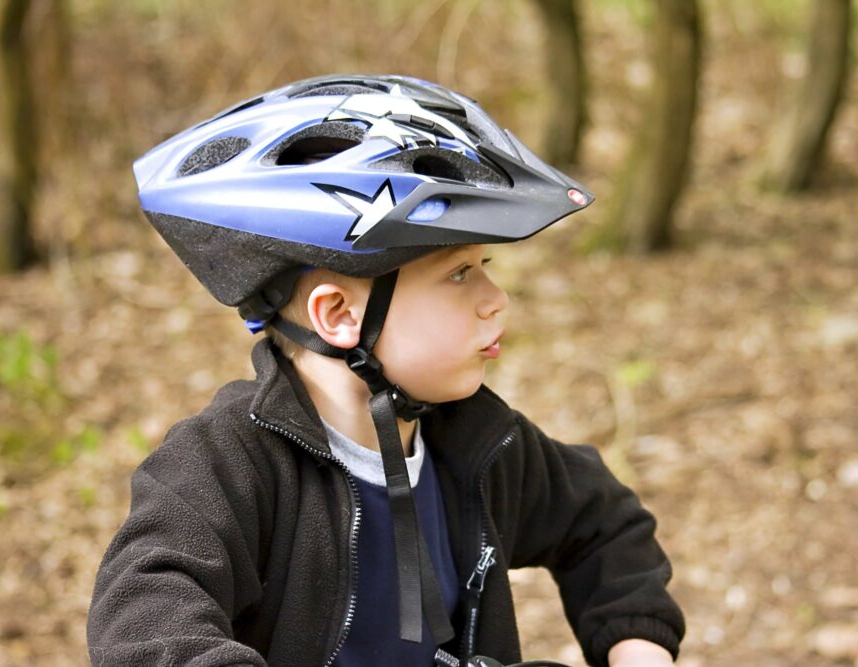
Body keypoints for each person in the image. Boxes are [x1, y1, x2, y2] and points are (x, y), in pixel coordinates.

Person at [87, 74, 685, 667]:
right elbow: (145, 619)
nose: (495, 298)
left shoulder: (478, 445)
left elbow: (604, 523)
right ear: (340, 314)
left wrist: (640, 646)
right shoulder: (225, 466)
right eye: (459, 273)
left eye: (486, 264)